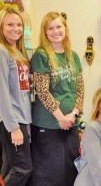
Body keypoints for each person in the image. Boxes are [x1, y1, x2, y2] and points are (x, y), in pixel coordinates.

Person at [29, 11, 84, 186]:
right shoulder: (41, 55)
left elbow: (80, 89)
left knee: (71, 172)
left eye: (59, 26)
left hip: (71, 124)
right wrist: (61, 117)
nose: (55, 31)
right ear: (44, 32)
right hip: (49, 125)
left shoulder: (73, 55)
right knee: (50, 177)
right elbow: (43, 91)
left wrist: (74, 114)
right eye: (50, 28)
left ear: (65, 29)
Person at [0, 7, 32, 185]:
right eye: (10, 24)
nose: (16, 28)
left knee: (9, 167)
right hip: (11, 121)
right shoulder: (2, 51)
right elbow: (2, 92)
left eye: (19, 24)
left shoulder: (17, 52)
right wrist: (13, 127)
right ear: (1, 27)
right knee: (22, 169)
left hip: (21, 118)